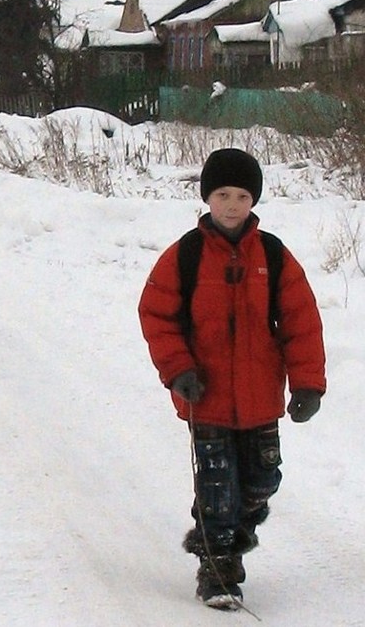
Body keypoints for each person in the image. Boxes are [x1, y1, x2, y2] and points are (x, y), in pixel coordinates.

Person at [138, 148, 326, 609]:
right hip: (207, 398)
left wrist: (307, 384)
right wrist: (179, 370)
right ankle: (217, 567)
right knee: (218, 487)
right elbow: (157, 315)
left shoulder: (274, 256)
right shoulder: (186, 255)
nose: (232, 205)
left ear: (254, 200)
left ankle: (233, 537)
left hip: (261, 397)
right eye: (222, 194)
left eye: (242, 196)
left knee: (263, 480)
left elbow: (301, 321)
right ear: (207, 197)